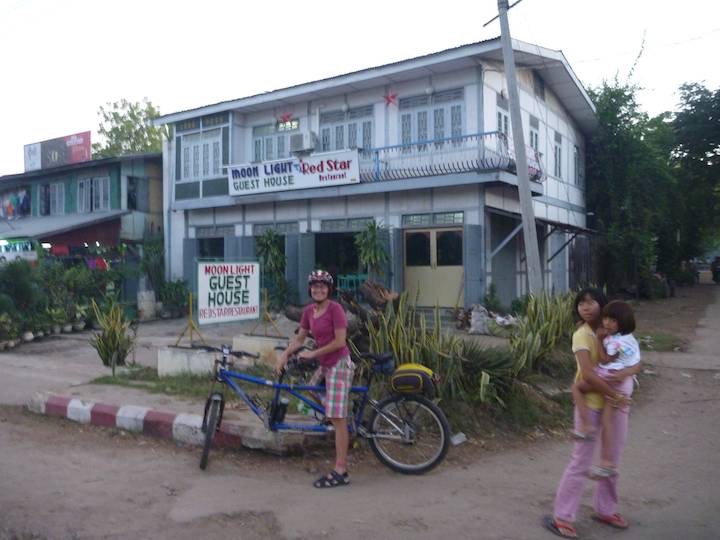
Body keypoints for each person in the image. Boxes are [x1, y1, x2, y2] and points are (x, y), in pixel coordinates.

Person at [544, 288, 642, 538]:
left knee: (612, 459)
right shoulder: (582, 335)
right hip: (592, 404)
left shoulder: (617, 332)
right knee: (581, 462)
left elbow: (632, 360)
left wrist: (625, 381)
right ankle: (562, 516)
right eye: (581, 304)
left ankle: (605, 509)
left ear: (604, 306)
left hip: (618, 405)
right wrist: (614, 393)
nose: (585, 307)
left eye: (591, 302)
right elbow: (587, 374)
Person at [276, 270, 355, 488]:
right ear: (310, 288)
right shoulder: (309, 311)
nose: (318, 289)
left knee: (337, 418)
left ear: (329, 289)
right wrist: (284, 355)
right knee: (311, 390)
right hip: (325, 365)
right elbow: (300, 338)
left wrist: (312, 354)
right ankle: (335, 416)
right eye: (315, 286)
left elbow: (340, 342)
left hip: (339, 364)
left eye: (323, 286)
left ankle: (341, 470)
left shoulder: (335, 309)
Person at [570, 300, 640, 479]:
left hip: (612, 380)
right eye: (606, 319)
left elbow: (603, 359)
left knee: (580, 391)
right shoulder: (630, 339)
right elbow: (637, 364)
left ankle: (590, 433)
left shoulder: (615, 342)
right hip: (620, 380)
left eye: (612, 321)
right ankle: (602, 454)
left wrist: (600, 340)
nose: (607, 323)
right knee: (580, 389)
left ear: (622, 322)